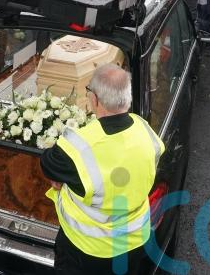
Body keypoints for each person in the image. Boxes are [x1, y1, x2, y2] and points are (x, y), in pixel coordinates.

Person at [40, 64, 164, 275]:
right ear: (127, 98)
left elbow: (48, 164)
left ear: (95, 99)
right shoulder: (146, 130)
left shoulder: (78, 146)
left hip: (86, 251)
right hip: (134, 244)